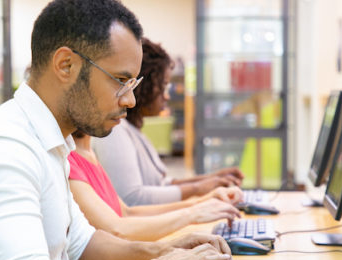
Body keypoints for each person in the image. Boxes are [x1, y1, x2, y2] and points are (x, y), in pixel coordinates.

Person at [0, 0, 232, 260]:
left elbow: (85, 246)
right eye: (121, 81)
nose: (130, 101)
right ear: (65, 65)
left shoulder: (51, 144)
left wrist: (169, 252)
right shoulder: (3, 147)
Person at [92, 38, 245, 206]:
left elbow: (161, 184)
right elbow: (132, 198)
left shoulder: (133, 131)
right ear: (144, 86)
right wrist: (198, 189)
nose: (167, 96)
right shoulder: (115, 132)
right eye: (163, 86)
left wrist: (213, 179)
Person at [69, 129, 243, 241]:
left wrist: (202, 202)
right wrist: (192, 213)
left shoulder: (88, 152)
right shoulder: (68, 160)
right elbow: (117, 229)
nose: (129, 101)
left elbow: (128, 212)